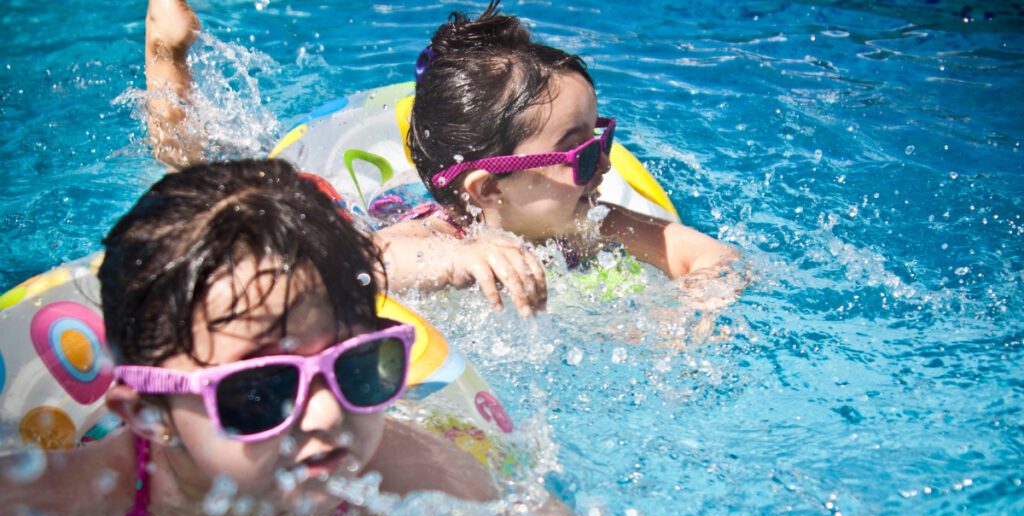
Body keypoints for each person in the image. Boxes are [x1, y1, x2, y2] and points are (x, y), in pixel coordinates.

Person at [0, 158, 497, 516]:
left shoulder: (417, 479)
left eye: (356, 365)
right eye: (261, 391)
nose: (327, 414)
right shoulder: (65, 507)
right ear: (147, 413)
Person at [142, 0, 737, 318]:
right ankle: (167, 56)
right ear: (488, 190)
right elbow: (359, 265)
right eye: (577, 154)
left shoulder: (592, 222)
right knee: (202, 186)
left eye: (600, 140)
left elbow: (708, 255)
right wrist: (457, 259)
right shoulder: (438, 234)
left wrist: (696, 307)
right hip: (365, 211)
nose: (602, 167)